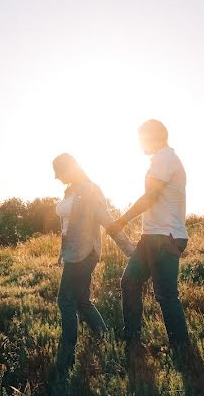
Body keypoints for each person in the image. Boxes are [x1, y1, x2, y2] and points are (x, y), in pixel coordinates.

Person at [50, 153, 134, 389]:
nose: (58, 179)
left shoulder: (88, 190)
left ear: (70, 168)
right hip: (73, 253)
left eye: (60, 173)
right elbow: (67, 226)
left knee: (65, 301)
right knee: (81, 301)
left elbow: (106, 219)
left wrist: (130, 249)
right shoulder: (71, 190)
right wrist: (61, 252)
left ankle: (66, 358)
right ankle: (103, 336)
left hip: (84, 253)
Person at [108, 119, 190, 349]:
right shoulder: (161, 160)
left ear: (154, 137)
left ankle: (182, 350)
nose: (139, 143)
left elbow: (149, 197)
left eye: (141, 138)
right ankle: (132, 341)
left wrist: (121, 221)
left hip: (165, 237)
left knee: (165, 295)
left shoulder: (164, 159)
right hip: (151, 236)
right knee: (130, 282)